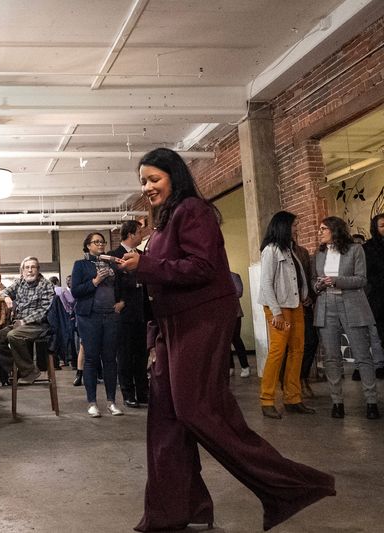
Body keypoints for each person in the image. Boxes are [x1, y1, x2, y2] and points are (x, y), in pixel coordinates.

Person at [118, 148, 334, 532]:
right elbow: (159, 285)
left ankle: (293, 486)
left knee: (198, 410)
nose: (147, 187)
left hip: (200, 320)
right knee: (166, 420)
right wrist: (154, 333)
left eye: (153, 179)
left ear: (174, 176)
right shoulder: (163, 222)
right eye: (143, 182)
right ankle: (178, 511)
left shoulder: (193, 210)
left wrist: (145, 264)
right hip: (171, 326)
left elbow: (203, 267)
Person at [312, 216, 379, 419]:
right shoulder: (319, 253)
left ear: (335, 230)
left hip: (351, 303)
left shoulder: (355, 249)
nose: (320, 232)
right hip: (326, 305)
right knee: (332, 357)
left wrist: (336, 281)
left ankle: (371, 401)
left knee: (362, 356)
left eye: (323, 229)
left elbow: (361, 279)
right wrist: (319, 285)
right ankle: (337, 402)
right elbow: (315, 280)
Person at [257, 211, 313, 418]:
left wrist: (305, 295)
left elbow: (297, 278)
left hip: (295, 305)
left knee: (297, 350)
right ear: (283, 226)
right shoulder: (270, 250)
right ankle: (267, 399)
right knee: (277, 352)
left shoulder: (290, 250)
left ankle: (293, 398)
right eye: (294, 226)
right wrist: (276, 313)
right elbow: (266, 284)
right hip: (278, 308)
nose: (296, 229)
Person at [71, 232, 123, 417]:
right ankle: (92, 402)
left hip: (110, 316)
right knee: (91, 359)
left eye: (102, 242)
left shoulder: (111, 263)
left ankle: (111, 402)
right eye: (96, 242)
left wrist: (121, 301)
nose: (100, 244)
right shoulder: (81, 265)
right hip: (89, 317)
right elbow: (76, 291)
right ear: (88, 246)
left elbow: (121, 286)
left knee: (110, 359)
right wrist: (95, 281)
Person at [108, 220, 151, 406]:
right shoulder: (113, 256)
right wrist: (120, 302)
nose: (142, 235)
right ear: (131, 234)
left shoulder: (143, 256)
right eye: (140, 231)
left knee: (141, 354)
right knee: (125, 354)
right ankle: (128, 393)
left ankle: (143, 391)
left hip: (142, 312)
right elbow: (113, 283)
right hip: (124, 313)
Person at [0, 257, 56, 383]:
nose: (30, 270)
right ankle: (22, 367)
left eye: (33, 267)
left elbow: (45, 310)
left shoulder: (46, 285)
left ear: (38, 269)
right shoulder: (20, 282)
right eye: (26, 267)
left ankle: (28, 371)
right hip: (19, 324)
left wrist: (24, 321)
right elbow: (3, 291)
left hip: (39, 325)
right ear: (22, 270)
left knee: (13, 335)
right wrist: (6, 296)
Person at [363, 214, 384, 379]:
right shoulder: (367, 247)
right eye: (382, 225)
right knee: (380, 333)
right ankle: (380, 365)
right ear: (375, 228)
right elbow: (367, 274)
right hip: (378, 296)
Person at [228, 272, 251, 378]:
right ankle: (230, 367)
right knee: (225, 342)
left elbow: (239, 292)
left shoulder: (234, 276)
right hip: (220, 315)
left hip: (235, 314)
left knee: (236, 339)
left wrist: (222, 294)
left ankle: (245, 366)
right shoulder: (215, 278)